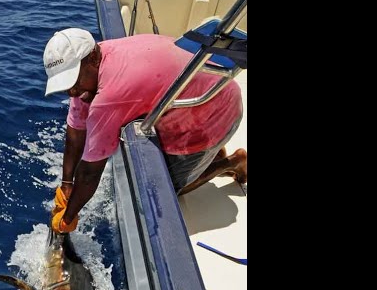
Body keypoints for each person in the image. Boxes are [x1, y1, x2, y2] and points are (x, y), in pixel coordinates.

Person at [42, 27, 245, 234]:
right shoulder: (97, 59)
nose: (72, 91)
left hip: (217, 110)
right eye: (66, 84)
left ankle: (232, 162)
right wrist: (66, 184)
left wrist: (66, 221)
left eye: (73, 81)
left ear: (92, 58)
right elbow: (76, 131)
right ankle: (208, 154)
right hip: (202, 93)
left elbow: (89, 173)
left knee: (167, 192)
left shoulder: (110, 95)